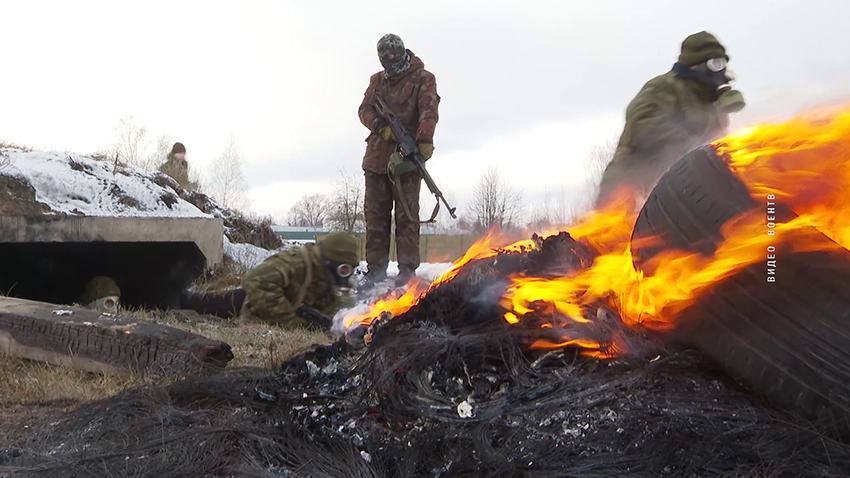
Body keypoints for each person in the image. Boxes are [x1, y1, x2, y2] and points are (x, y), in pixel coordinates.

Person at [595, 31, 746, 208]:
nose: (720, 70)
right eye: (715, 63)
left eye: (722, 64)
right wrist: (695, 147)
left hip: (680, 188)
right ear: (694, 64)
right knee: (613, 234)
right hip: (629, 185)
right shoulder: (665, 87)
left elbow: (715, 142)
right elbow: (642, 125)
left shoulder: (711, 101)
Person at [357, 33, 440, 288]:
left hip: (406, 159)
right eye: (384, 61)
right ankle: (376, 271)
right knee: (375, 216)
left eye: (391, 60)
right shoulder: (377, 81)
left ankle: (407, 271)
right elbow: (364, 110)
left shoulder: (423, 79)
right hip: (376, 159)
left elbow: (429, 111)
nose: (388, 66)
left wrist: (424, 141)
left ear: (402, 53)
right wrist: (381, 127)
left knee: (407, 216)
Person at [240, 231, 360, 328]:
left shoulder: (330, 275)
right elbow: (253, 280)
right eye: (343, 269)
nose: (345, 275)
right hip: (264, 328)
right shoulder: (295, 262)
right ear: (329, 261)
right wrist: (291, 322)